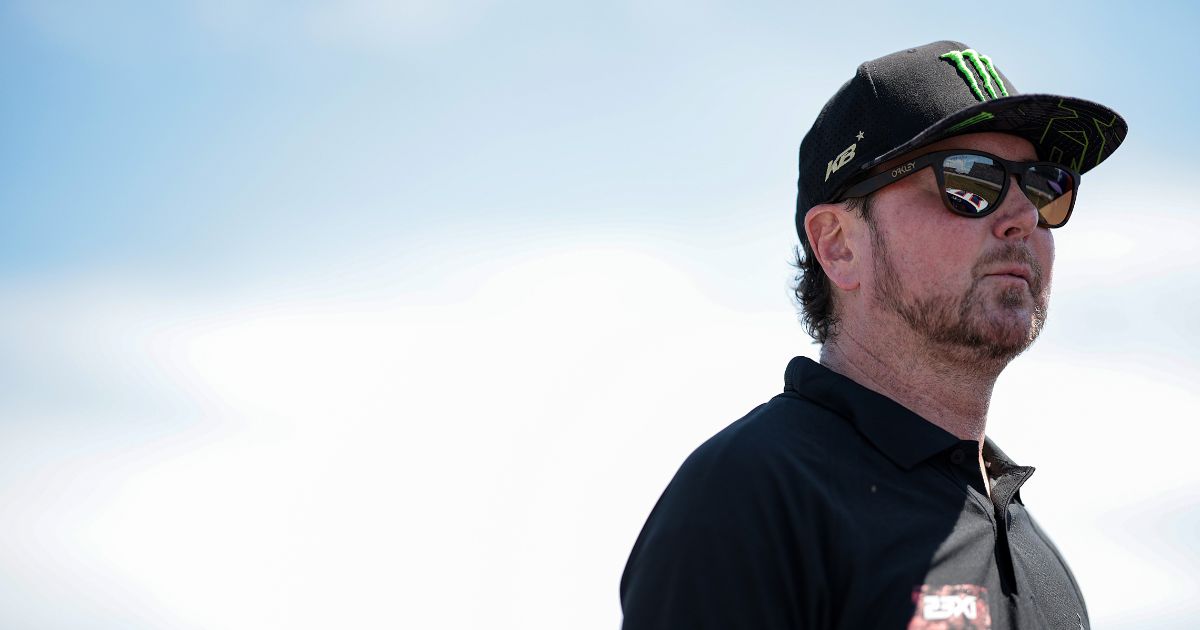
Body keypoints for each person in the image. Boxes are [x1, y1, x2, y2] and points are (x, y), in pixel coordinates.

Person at [619, 41, 1126, 629]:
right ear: (838, 244)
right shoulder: (751, 496)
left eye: (1043, 185)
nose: (1022, 216)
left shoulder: (1042, 563)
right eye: (969, 182)